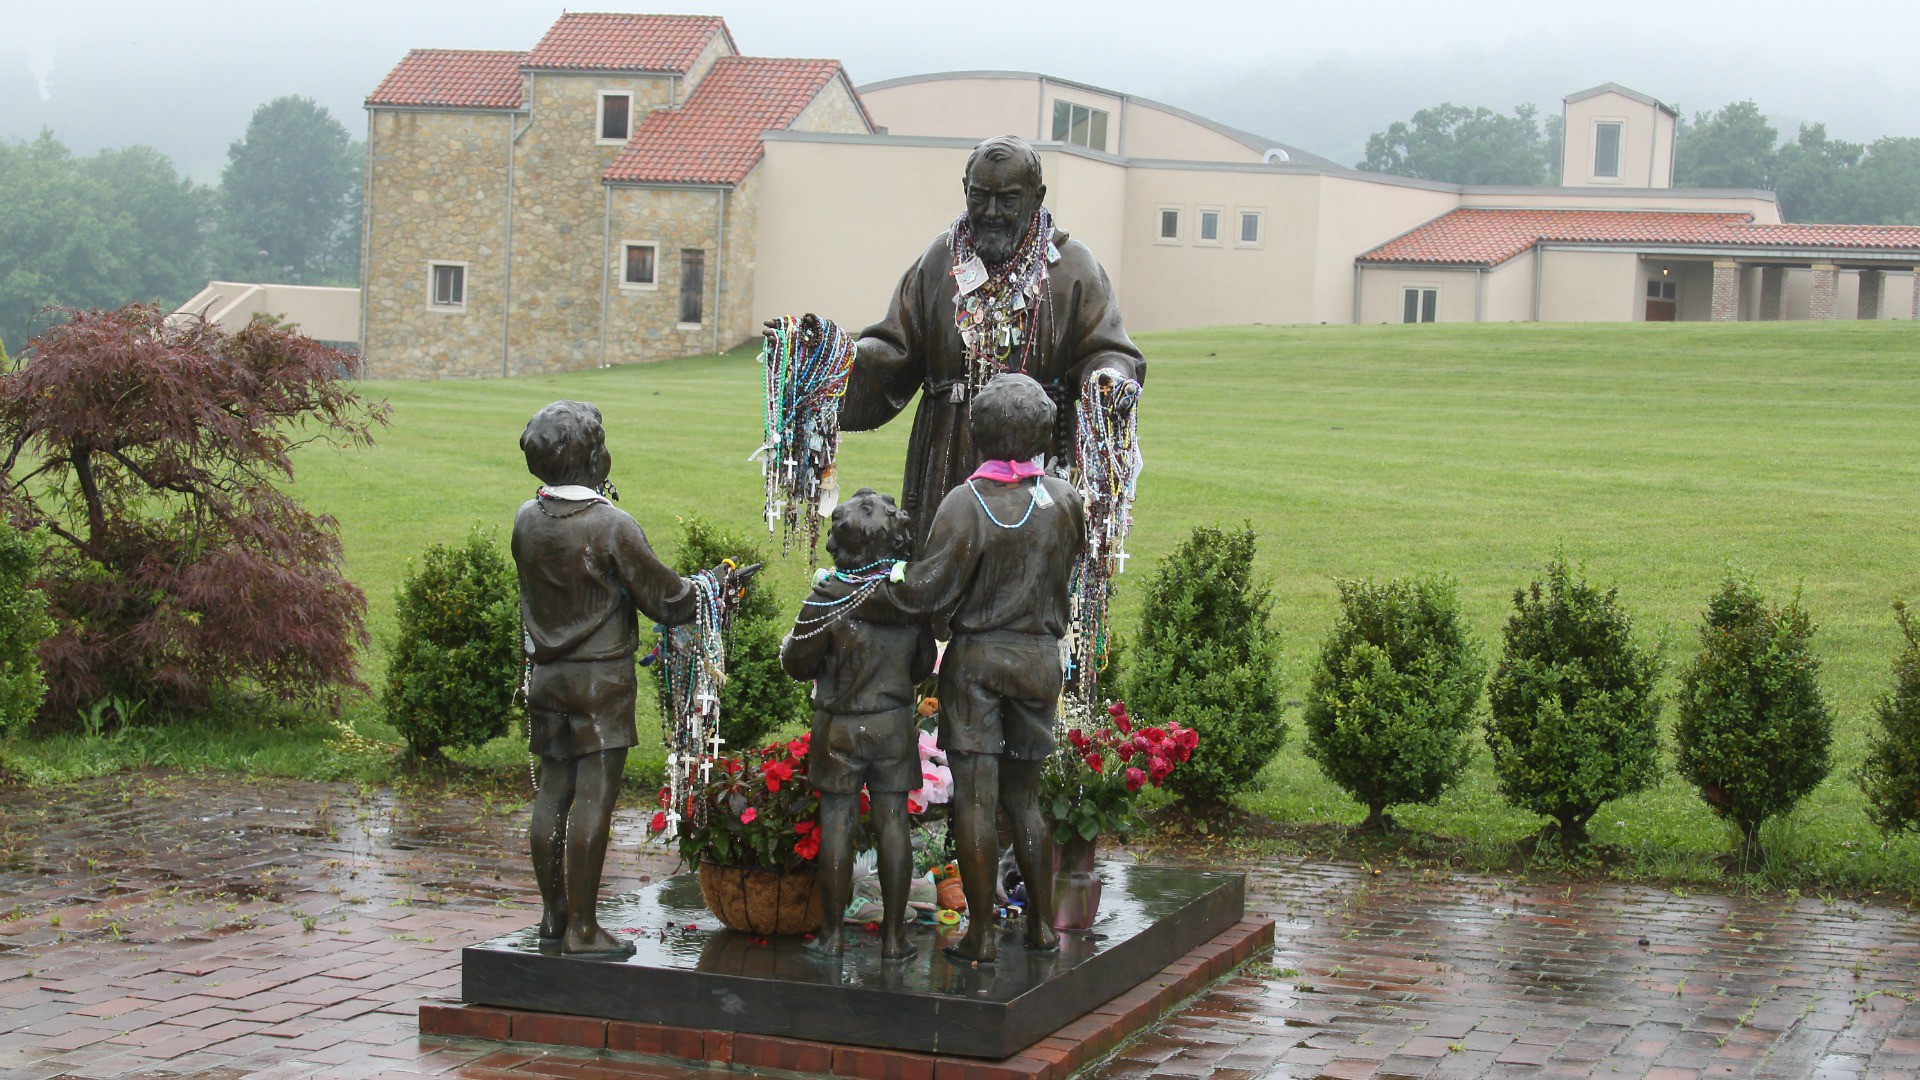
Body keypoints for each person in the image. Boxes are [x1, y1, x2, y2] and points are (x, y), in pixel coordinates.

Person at [770, 134, 1142, 557]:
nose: (991, 212)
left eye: (1008, 199)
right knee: (939, 569)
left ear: (1037, 197)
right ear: (964, 189)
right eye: (980, 197)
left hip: (1038, 460)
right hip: (945, 453)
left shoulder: (1073, 268)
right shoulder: (940, 261)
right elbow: (893, 351)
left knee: (1024, 579)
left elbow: (1108, 349)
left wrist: (1109, 379)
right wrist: (822, 358)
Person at [512, 400, 752, 955]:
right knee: (593, 797)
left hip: (546, 677)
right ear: (595, 459)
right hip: (600, 683)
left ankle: (553, 918)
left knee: (551, 794)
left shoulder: (528, 518)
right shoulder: (611, 525)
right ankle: (583, 929)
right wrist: (717, 585)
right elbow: (668, 600)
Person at [876, 373, 1085, 963]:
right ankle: (1044, 929)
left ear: (977, 432)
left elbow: (926, 591)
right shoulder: (1065, 499)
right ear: (1043, 432)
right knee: (1025, 798)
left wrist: (874, 588)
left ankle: (982, 934)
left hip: (979, 663)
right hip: (1041, 659)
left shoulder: (964, 503)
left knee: (973, 799)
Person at [778, 488, 935, 961]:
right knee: (893, 826)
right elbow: (923, 664)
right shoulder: (907, 601)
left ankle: (831, 936)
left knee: (838, 825)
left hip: (840, 727)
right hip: (890, 726)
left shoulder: (825, 599)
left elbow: (798, 665)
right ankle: (894, 937)